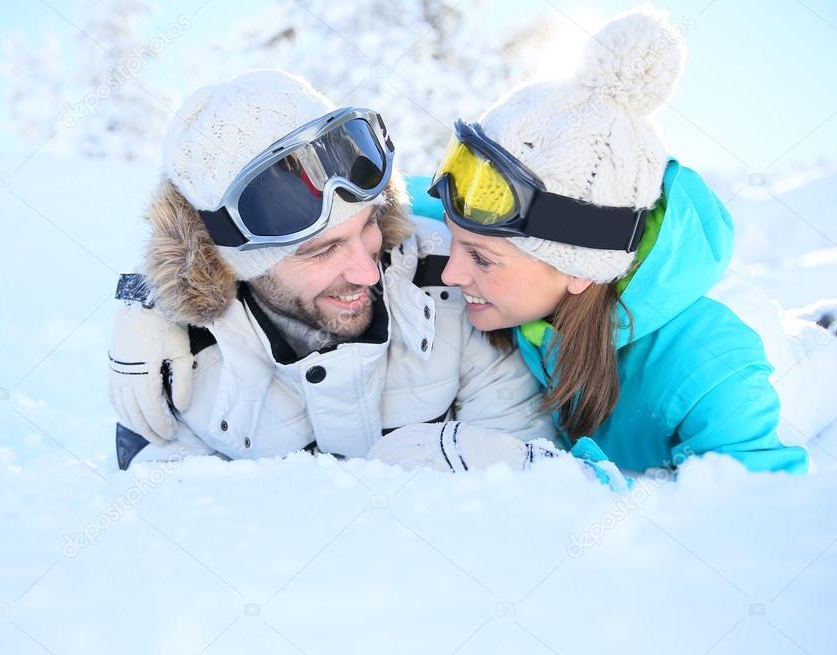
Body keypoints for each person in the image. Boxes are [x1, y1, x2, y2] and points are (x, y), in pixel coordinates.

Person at [377, 7, 810, 475]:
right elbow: (387, 200)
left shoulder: (711, 370)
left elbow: (753, 516)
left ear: (581, 270)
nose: (452, 272)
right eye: (456, 239)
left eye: (482, 258)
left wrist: (551, 475)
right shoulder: (500, 233)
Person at [107, 70, 558, 472]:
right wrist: (155, 299)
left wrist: (503, 463)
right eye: (321, 252)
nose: (367, 272)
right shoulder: (175, 361)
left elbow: (530, 473)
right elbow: (180, 530)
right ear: (231, 263)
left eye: (367, 227)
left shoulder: (450, 285)